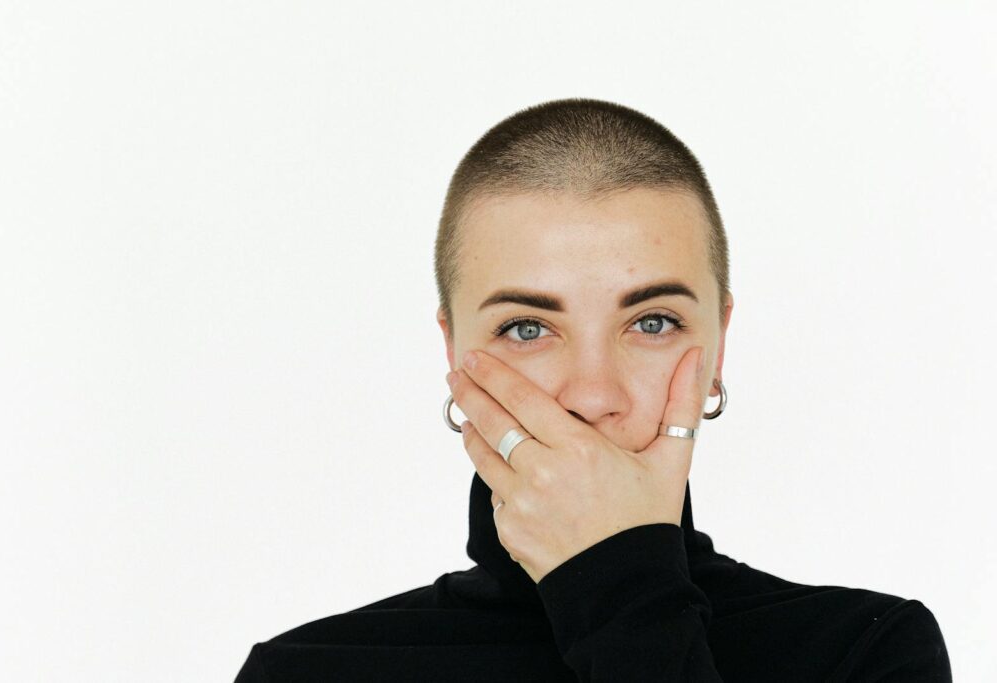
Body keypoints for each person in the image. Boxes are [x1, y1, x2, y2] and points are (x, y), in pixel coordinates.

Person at [233, 98, 951, 681]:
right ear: (452, 350)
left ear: (718, 346)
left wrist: (622, 597)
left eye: (652, 321)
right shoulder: (308, 671)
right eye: (526, 328)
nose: (591, 394)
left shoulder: (862, 653)